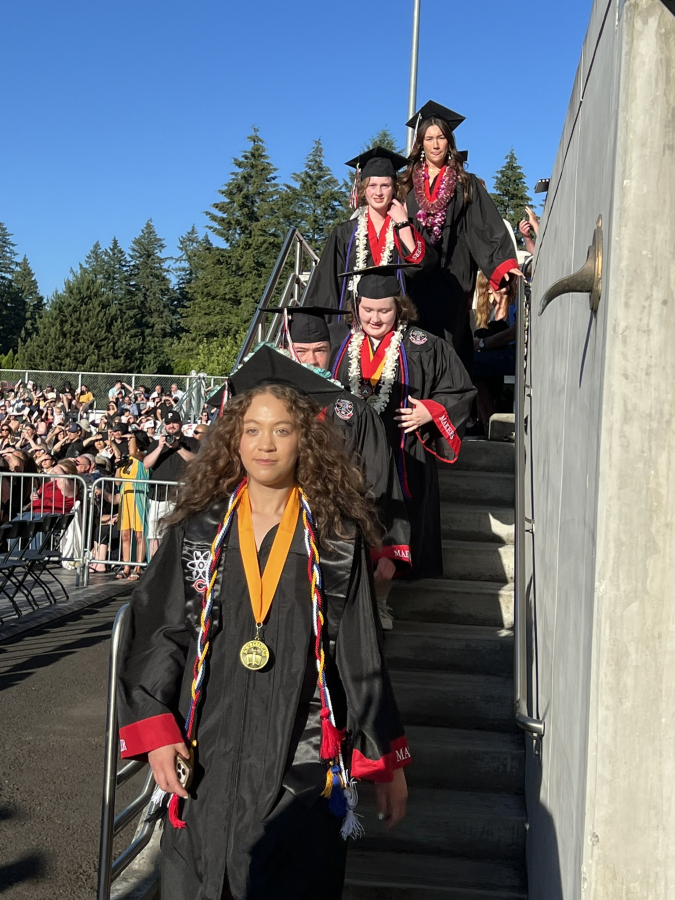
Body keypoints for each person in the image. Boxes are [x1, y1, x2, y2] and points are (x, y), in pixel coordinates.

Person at [117, 358, 410, 900]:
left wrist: (386, 759)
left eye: (282, 429)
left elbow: (361, 653)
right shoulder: (200, 529)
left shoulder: (335, 540)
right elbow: (160, 630)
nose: (265, 443)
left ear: (307, 439)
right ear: (234, 438)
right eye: (252, 429)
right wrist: (157, 728)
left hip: (298, 753)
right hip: (205, 745)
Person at [332, 264, 476, 579]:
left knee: (397, 522)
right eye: (367, 309)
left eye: (384, 310)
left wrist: (432, 410)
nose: (374, 318)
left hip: (404, 453)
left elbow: (460, 390)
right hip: (351, 454)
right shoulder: (340, 346)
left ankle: (388, 589)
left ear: (400, 307)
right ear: (357, 306)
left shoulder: (424, 345)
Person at [400, 100, 520, 373]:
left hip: (452, 280)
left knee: (450, 344)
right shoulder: (406, 183)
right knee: (413, 345)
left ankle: (449, 407)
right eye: (429, 138)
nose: (435, 144)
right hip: (414, 279)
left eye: (441, 137)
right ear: (420, 143)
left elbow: (483, 225)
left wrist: (504, 264)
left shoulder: (465, 183)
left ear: (449, 141)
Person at [304, 147, 434, 314]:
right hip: (353, 320)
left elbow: (423, 269)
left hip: (398, 319)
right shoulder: (344, 233)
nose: (378, 192)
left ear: (394, 189)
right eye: (372, 185)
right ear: (364, 190)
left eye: (385, 185)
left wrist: (403, 225)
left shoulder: (410, 226)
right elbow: (327, 285)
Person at [142, 411, 198, 557]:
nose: (171, 426)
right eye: (168, 423)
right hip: (158, 495)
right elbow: (147, 464)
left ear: (180, 423)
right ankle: (154, 568)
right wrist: (160, 447)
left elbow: (196, 461)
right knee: (154, 533)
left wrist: (178, 447)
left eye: (174, 422)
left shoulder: (191, 442)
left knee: (177, 533)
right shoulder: (156, 443)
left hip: (181, 495)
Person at [472, 272, 517, 429]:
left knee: (472, 365)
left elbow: (514, 333)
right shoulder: (489, 312)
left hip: (514, 352)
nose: (505, 282)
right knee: (474, 367)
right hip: (500, 353)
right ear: (489, 288)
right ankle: (486, 422)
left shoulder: (515, 303)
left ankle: (491, 424)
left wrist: (482, 344)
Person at [115, 432, 149, 581]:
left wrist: (132, 435)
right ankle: (126, 566)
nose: (128, 443)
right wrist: (118, 465)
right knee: (125, 534)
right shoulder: (127, 459)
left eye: (130, 441)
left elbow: (134, 451)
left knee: (139, 534)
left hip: (139, 495)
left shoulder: (143, 456)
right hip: (126, 495)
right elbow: (117, 482)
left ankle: (138, 566)